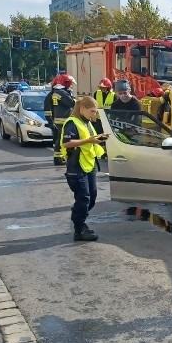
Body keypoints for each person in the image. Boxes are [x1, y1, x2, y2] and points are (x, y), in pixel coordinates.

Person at [60, 96, 108, 242]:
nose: (94, 114)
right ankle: (79, 229)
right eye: (92, 111)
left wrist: (99, 139)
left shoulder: (86, 122)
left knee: (91, 196)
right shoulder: (72, 122)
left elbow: (89, 141)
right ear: (82, 108)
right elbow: (67, 143)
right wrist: (89, 140)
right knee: (83, 198)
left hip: (89, 164)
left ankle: (79, 218)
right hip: (77, 166)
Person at [45, 74, 76, 166]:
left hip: (58, 120)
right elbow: (71, 103)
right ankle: (59, 159)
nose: (71, 86)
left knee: (60, 139)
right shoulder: (62, 93)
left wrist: (51, 121)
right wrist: (73, 98)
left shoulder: (54, 93)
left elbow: (48, 108)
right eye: (70, 84)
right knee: (63, 140)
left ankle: (60, 157)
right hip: (64, 120)